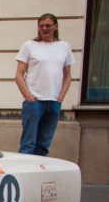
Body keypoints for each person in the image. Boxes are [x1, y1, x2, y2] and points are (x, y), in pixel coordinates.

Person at [14, 13, 74, 156]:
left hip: (53, 103)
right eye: (41, 26)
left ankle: (38, 175)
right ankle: (25, 175)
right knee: (28, 145)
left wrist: (60, 99)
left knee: (43, 146)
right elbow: (19, 75)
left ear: (56, 26)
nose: (44, 28)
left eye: (48, 25)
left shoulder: (64, 47)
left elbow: (68, 77)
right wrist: (30, 98)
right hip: (34, 102)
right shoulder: (29, 45)